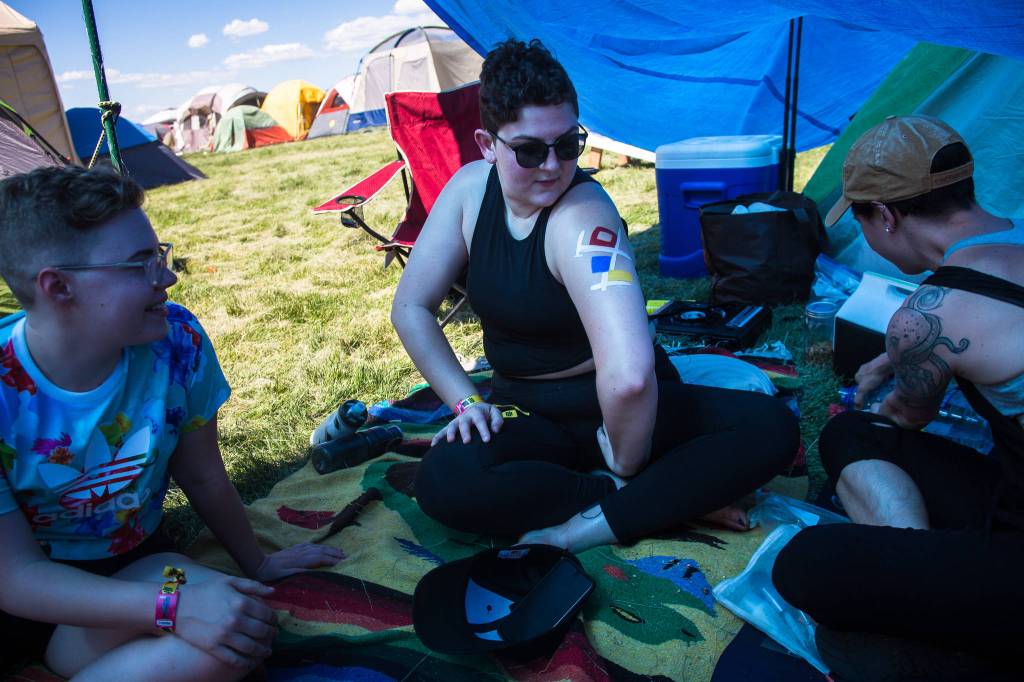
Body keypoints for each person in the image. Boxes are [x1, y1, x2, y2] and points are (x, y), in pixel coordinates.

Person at [390, 38, 798, 554]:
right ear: (487, 144)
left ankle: (594, 518)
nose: (552, 166)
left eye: (568, 144)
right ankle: (651, 495)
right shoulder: (470, 191)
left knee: (770, 430)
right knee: (446, 481)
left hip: (627, 415)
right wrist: (466, 401)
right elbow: (410, 308)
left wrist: (627, 457)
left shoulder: (583, 219)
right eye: (530, 150)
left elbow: (629, 379)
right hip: (525, 408)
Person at [0, 166, 343, 680]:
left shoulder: (175, 339)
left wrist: (258, 563)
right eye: (140, 263)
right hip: (32, 605)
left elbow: (203, 474)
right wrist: (171, 609)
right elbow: (15, 576)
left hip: (138, 565)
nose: (166, 277)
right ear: (59, 287)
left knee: (241, 625)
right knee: (215, 634)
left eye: (158, 254)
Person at [771, 116, 1024, 680]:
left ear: (884, 216)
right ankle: (929, 575)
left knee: (806, 565)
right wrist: (894, 354)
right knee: (849, 433)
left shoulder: (925, 318)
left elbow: (902, 416)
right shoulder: (1016, 237)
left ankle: (932, 604)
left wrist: (901, 347)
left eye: (861, 223)